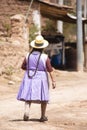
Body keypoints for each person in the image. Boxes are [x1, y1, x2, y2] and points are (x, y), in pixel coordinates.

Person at [17, 35, 56, 122]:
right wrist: (53, 81)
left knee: (28, 94)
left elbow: (23, 67)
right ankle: (42, 116)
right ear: (42, 47)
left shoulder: (28, 55)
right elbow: (50, 70)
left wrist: (31, 68)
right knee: (43, 96)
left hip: (29, 76)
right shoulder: (45, 57)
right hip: (41, 78)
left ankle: (26, 112)